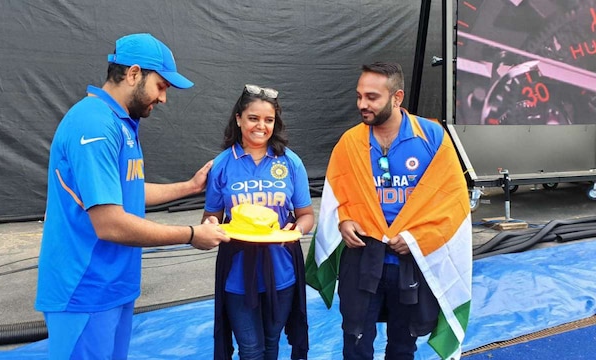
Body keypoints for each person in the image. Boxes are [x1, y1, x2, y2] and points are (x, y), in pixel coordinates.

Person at [34, 33, 230, 359]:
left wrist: (190, 187)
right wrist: (192, 235)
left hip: (113, 287)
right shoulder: (94, 125)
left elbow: (128, 191)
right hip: (85, 291)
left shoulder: (121, 123)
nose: (164, 98)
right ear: (134, 73)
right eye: (162, 86)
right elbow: (110, 223)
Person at [305, 62, 472, 359]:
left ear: (397, 97)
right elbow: (337, 198)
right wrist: (343, 221)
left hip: (412, 258)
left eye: (371, 97)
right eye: (359, 96)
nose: (362, 104)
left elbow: (452, 202)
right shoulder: (350, 142)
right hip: (363, 258)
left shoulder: (432, 138)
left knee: (403, 345)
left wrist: (419, 237)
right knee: (355, 341)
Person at [203, 84, 315, 360]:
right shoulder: (221, 164)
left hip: (281, 269)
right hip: (238, 273)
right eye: (253, 118)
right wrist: (209, 228)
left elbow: (306, 215)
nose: (261, 126)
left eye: (268, 120)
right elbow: (211, 217)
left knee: (271, 343)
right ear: (239, 118)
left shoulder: (290, 163)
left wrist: (297, 229)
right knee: (251, 350)